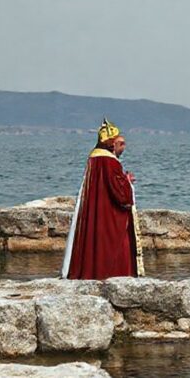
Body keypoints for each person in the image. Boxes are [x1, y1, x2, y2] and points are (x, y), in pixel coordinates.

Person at [61, 118, 144, 279]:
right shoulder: (110, 162)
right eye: (121, 143)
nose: (123, 147)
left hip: (95, 208)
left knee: (93, 238)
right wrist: (127, 182)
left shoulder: (94, 157)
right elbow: (121, 195)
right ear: (112, 144)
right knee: (112, 243)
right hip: (108, 212)